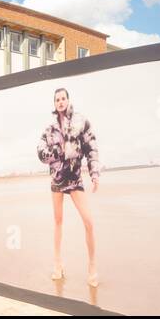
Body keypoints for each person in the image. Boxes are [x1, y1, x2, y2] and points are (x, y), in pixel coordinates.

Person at [37, 87, 100, 287]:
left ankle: (92, 266)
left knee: (88, 222)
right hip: (57, 179)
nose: (61, 102)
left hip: (74, 179)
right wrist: (59, 152)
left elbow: (92, 147)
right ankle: (58, 264)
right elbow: (40, 152)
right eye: (57, 99)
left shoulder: (81, 121)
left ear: (68, 100)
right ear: (54, 104)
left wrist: (94, 173)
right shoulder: (49, 128)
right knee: (58, 222)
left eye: (63, 98)